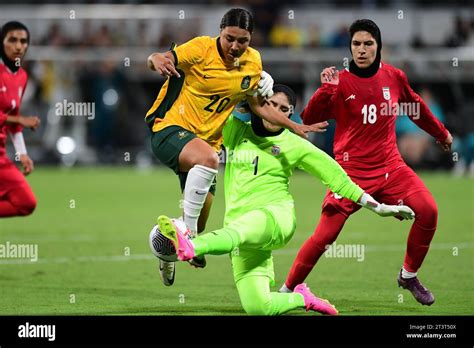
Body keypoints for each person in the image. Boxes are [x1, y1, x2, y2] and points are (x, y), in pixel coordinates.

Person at [152, 85, 415, 316]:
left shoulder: (295, 144)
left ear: (290, 115)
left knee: (240, 231)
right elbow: (221, 107)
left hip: (275, 217)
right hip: (241, 231)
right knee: (258, 307)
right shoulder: (235, 131)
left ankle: (191, 245)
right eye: (271, 104)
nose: (277, 111)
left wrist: (379, 207)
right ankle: (302, 297)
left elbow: (339, 180)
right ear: (261, 104)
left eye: (285, 109)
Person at [280, 19, 453, 306]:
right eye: (356, 44)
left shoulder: (394, 77)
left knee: (429, 210)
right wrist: (326, 89)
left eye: (368, 44)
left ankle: (408, 276)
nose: (362, 50)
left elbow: (416, 108)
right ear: (350, 48)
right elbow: (308, 118)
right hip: (348, 174)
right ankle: (286, 291)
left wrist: (441, 133)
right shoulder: (340, 81)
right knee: (325, 236)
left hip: (390, 167)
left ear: (378, 46)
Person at [145, 8, 313, 286]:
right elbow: (159, 59)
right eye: (229, 38)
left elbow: (258, 106)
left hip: (205, 145)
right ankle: (186, 233)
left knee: (199, 225)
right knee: (209, 162)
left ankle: (166, 250)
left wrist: (293, 125)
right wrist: (156, 59)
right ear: (220, 32)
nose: (235, 46)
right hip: (169, 128)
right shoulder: (200, 48)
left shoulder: (253, 62)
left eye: (242, 40)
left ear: (251, 39)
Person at [0, 21, 41, 218]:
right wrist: (20, 121)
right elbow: (17, 120)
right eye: (12, 40)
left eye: (23, 41)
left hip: (1, 156)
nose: (19, 46)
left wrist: (22, 154)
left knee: (26, 203)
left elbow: (13, 119)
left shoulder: (22, 76)